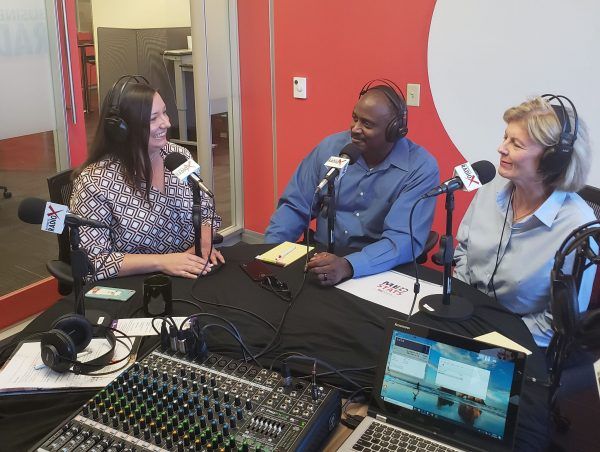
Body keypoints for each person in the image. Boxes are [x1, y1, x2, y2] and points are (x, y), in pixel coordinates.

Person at [265, 80, 439, 285]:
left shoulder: (420, 167)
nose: (355, 129)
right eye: (355, 119)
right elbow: (295, 206)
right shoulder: (330, 147)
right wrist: (268, 252)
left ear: (394, 130)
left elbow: (401, 239)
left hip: (378, 268)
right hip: (322, 260)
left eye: (367, 124)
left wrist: (349, 265)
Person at [454, 95, 596, 347]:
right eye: (505, 137)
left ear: (553, 160)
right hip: (466, 316)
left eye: (516, 144)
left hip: (522, 343)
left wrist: (491, 343)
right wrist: (460, 310)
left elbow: (558, 322)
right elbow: (463, 251)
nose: (502, 148)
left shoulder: (578, 227)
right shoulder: (490, 188)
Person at [70, 75, 224, 282]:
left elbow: (206, 210)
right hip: (139, 282)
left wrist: (204, 243)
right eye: (153, 118)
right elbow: (94, 260)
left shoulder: (179, 156)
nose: (167, 123)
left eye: (165, 113)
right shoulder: (94, 182)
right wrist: (163, 262)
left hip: (190, 271)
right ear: (121, 129)